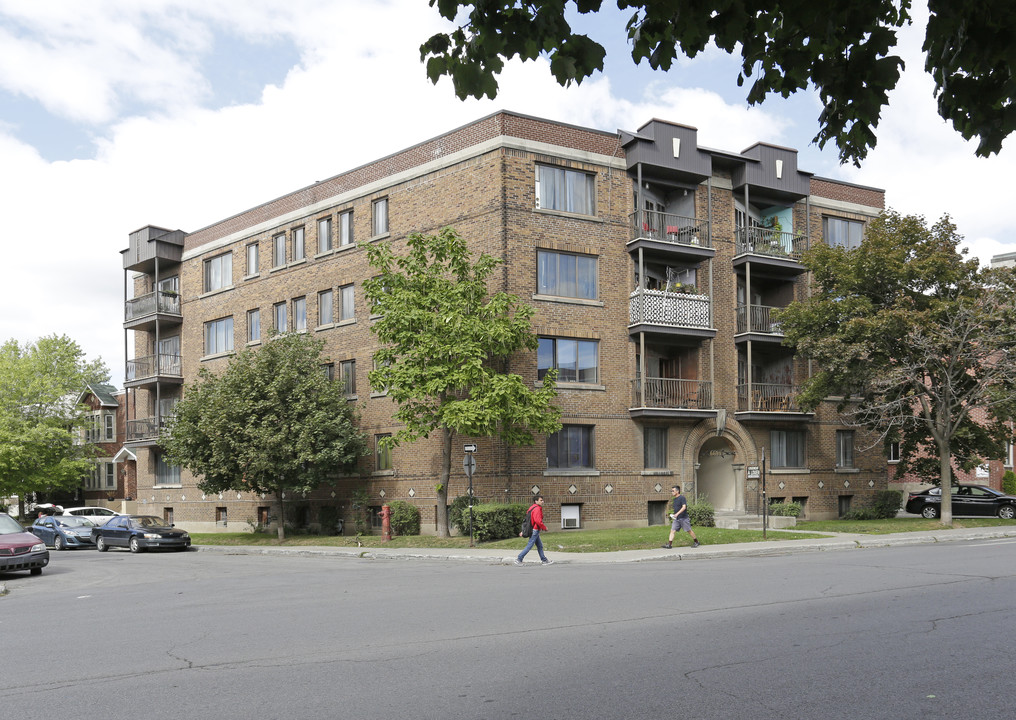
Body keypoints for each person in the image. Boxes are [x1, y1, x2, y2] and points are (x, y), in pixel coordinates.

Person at [515, 495, 553, 565]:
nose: (542, 502)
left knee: (539, 546)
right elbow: (538, 521)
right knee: (530, 545)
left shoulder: (531, 508)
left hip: (533, 530)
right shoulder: (537, 509)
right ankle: (519, 558)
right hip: (535, 530)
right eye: (541, 500)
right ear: (536, 501)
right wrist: (544, 528)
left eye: (542, 500)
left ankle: (544, 560)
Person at [662, 484, 700, 549]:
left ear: (677, 491)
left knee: (689, 530)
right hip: (677, 519)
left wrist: (677, 514)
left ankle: (696, 542)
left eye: (673, 491)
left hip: (684, 518)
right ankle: (669, 544)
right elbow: (676, 509)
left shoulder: (682, 498)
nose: (672, 492)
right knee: (672, 530)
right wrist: (672, 514)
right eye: (671, 491)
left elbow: (684, 507)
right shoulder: (675, 499)